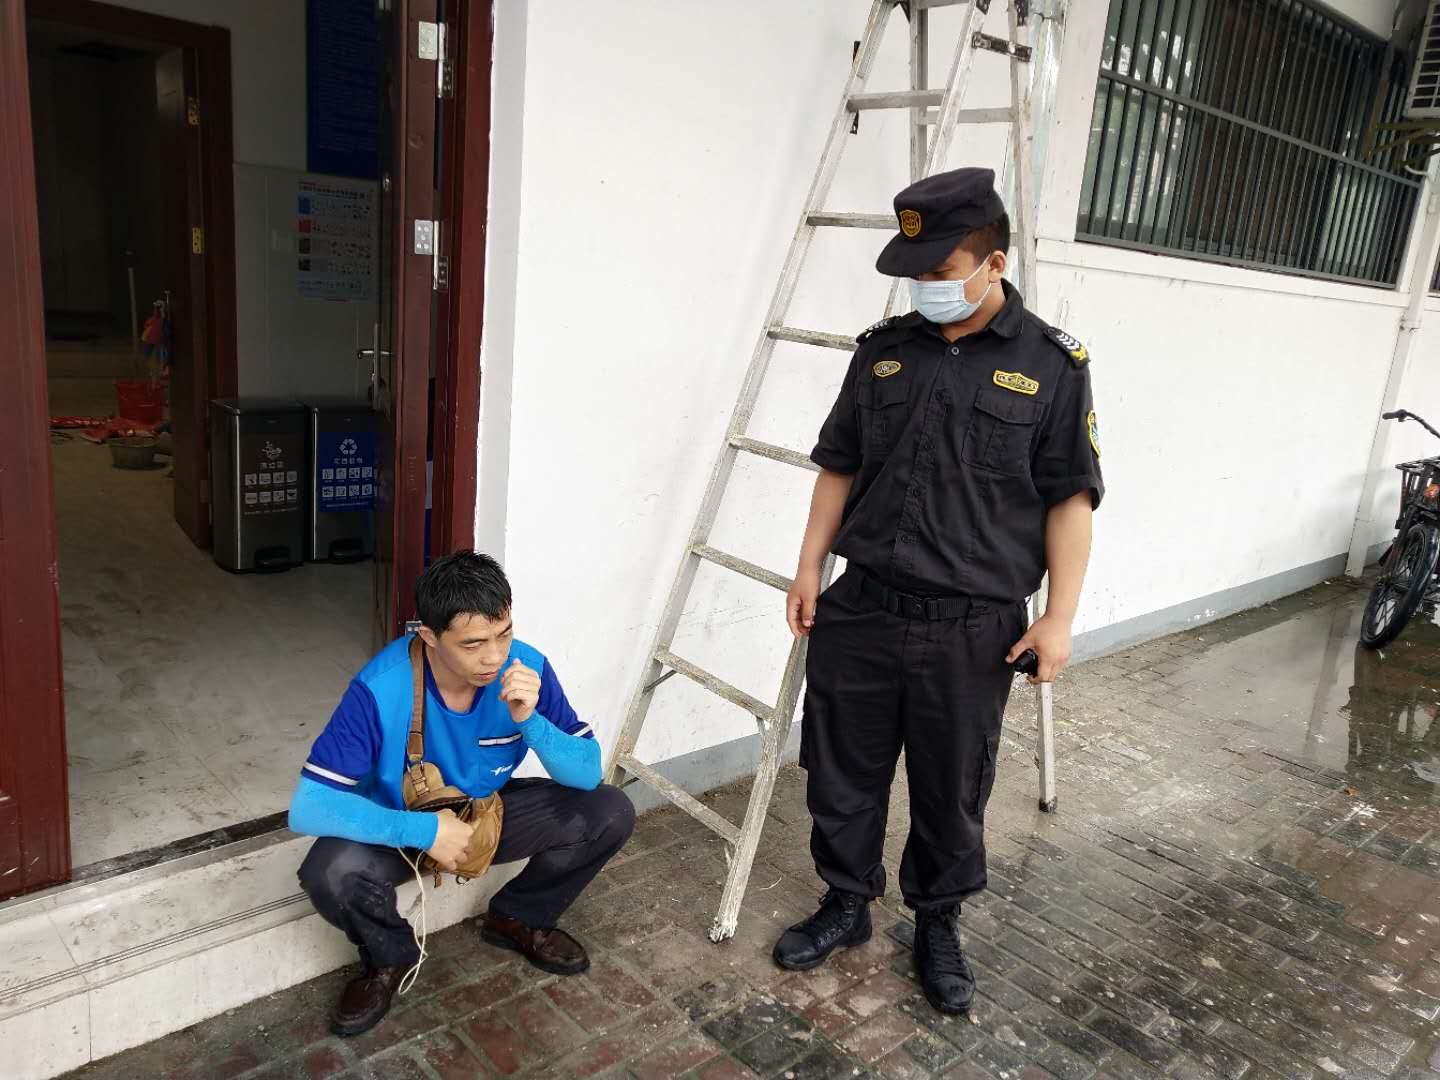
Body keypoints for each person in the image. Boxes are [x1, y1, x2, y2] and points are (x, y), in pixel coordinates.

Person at [772, 167, 1103, 1015]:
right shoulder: (884, 351)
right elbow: (839, 465)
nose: (925, 286)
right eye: (913, 273)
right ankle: (847, 900)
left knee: (953, 786)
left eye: (941, 271)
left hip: (971, 628)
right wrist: (809, 566)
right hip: (863, 607)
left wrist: (1060, 617)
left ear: (993, 264)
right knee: (840, 771)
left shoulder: (1052, 366)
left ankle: (937, 922)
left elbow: (1069, 499)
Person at [288, 552, 635, 1036]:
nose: (494, 657)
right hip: (402, 824)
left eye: (504, 634)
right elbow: (308, 807)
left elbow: (585, 773)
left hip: (485, 815)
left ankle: (518, 919)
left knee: (610, 811)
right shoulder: (380, 687)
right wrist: (424, 830)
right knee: (329, 871)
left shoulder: (525, 667)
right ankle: (389, 958)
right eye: (473, 644)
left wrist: (529, 720)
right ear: (428, 636)